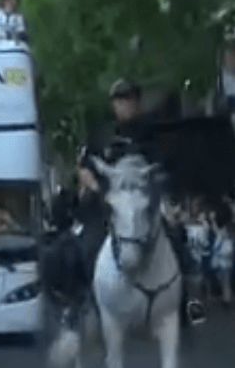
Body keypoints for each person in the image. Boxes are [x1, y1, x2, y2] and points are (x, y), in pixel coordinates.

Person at [77, 78, 205, 324]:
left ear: (138, 102)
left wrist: (165, 197)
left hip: (147, 203)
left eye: (129, 99)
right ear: (113, 104)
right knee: (86, 243)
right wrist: (97, 189)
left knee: (177, 236)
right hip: (109, 206)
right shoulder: (101, 135)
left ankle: (190, 300)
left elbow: (168, 166)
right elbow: (83, 167)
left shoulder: (155, 133)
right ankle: (87, 303)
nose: (125, 104)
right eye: (120, 100)